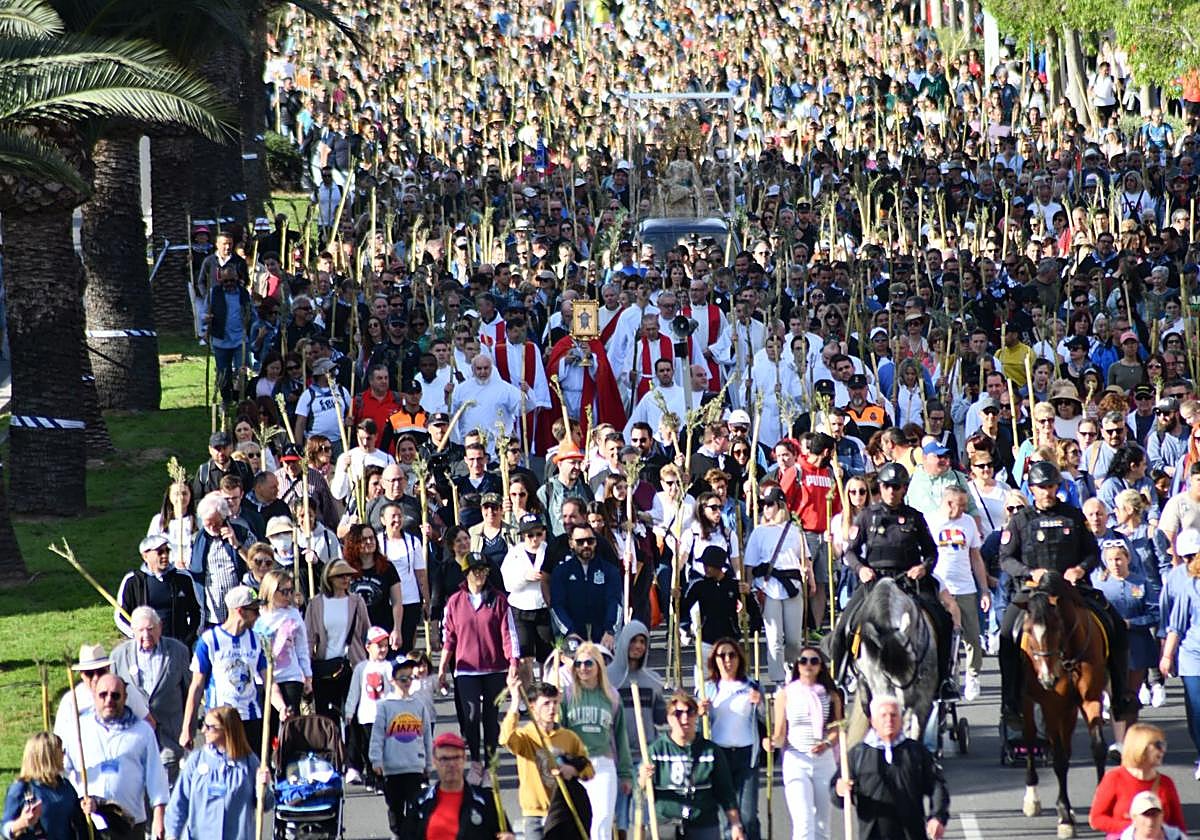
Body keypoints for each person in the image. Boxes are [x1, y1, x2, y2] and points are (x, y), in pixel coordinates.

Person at [999, 460, 1131, 728]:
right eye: (1041, 487)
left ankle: (1120, 695)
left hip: (1072, 589)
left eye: (1051, 486)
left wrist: (1080, 570)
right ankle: (1010, 702)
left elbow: (1092, 553)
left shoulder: (1073, 515)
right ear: (1031, 489)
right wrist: (1028, 572)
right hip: (1034, 591)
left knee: (1115, 625)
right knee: (1006, 636)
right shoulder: (1019, 521)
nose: (1047, 492)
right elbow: (1005, 559)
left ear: (1058, 486)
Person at [834, 463, 954, 698]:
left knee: (943, 621)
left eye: (896, 486)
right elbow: (850, 552)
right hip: (875, 581)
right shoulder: (867, 516)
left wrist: (923, 567)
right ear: (880, 487)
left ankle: (944, 680)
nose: (891, 491)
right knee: (843, 626)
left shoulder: (914, 517)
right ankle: (838, 678)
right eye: (887, 486)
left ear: (904, 489)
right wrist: (860, 569)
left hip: (909, 581)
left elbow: (932, 552)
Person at [438, 553, 520, 784]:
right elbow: (449, 638)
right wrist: (443, 668)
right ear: (466, 574)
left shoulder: (499, 600)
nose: (481, 574)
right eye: (476, 570)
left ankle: (491, 764)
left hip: (495, 667)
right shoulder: (454, 602)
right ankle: (475, 761)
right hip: (466, 669)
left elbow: (509, 634)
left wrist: (513, 662)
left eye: (484, 570)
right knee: (471, 715)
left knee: (491, 717)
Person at [62, 674, 170, 840]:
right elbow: (61, 769)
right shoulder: (77, 729)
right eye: (103, 695)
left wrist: (159, 817)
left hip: (129, 823)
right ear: (94, 696)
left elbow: (156, 776)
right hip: (89, 822)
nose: (109, 700)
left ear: (125, 697)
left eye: (115, 695)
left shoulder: (142, 731)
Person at [181, 585, 284, 752]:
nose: (258, 616)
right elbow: (197, 686)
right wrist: (187, 728)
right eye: (255, 611)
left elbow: (269, 682)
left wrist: (281, 707)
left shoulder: (257, 640)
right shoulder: (209, 640)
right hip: (220, 720)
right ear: (240, 611)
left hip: (251, 718)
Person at [833, 694, 949, 840]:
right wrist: (840, 791)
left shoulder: (916, 752)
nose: (889, 720)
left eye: (894, 715)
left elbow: (937, 786)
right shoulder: (858, 755)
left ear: (901, 720)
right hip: (872, 835)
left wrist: (937, 816)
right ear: (873, 721)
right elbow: (837, 794)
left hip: (911, 834)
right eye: (883, 715)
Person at [640, 690, 747, 840]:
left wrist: (736, 825)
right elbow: (638, 789)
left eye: (690, 712)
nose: (684, 718)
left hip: (703, 824)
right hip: (665, 825)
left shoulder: (710, 751)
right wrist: (643, 778)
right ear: (669, 718)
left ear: (696, 715)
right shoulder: (656, 750)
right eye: (678, 713)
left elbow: (726, 792)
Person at [765, 646, 844, 840]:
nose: (808, 665)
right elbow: (781, 731)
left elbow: (836, 729)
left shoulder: (831, 695)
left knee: (822, 825)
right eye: (803, 661)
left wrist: (826, 743)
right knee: (803, 821)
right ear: (797, 666)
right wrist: (772, 742)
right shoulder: (786, 694)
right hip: (796, 759)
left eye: (814, 661)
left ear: (820, 667)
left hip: (823, 760)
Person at [501, 680, 594, 840]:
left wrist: (572, 770)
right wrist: (515, 702)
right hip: (535, 815)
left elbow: (588, 769)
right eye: (545, 704)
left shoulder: (568, 737)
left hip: (563, 812)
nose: (552, 708)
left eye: (555, 703)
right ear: (532, 707)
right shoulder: (526, 736)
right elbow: (506, 739)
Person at [560, 641, 634, 840]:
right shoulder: (566, 697)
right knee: (576, 822)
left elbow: (620, 737)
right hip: (574, 765)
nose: (583, 668)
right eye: (578, 664)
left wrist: (626, 774)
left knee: (602, 821)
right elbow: (559, 735)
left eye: (588, 663)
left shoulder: (612, 696)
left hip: (602, 765)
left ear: (598, 665)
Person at [110, 607, 192, 786]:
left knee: (166, 790)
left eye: (150, 628)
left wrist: (189, 730)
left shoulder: (178, 651)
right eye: (140, 630)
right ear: (133, 631)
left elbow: (190, 694)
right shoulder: (118, 657)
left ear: (160, 627)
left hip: (168, 737)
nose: (146, 634)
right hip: (133, 738)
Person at [164, 706, 271, 840]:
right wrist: (172, 835)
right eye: (203, 725)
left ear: (227, 730)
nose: (203, 731)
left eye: (210, 727)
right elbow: (178, 803)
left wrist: (264, 787)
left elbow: (266, 804)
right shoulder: (196, 760)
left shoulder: (249, 762)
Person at [1093, 541, 1161, 753]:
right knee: (1115, 693)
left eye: (1119, 559)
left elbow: (1155, 613)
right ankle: (1119, 742)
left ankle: (1132, 740)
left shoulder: (1141, 583)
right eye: (1111, 559)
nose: (1115, 563)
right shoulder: (1100, 586)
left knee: (1131, 694)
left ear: (1128, 559)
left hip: (1137, 646)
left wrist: (1133, 623)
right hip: (1111, 648)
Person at [925, 485, 991, 701]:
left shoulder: (968, 522)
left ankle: (972, 674)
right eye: (960, 505)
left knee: (972, 636)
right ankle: (949, 675)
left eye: (965, 505)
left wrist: (983, 590)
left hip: (965, 587)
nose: (963, 509)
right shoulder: (930, 521)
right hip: (939, 588)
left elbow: (976, 557)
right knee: (943, 636)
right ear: (948, 503)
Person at [744, 486, 812, 683]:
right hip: (768, 585)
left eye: (770, 504)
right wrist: (748, 588)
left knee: (793, 639)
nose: (766, 508)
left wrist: (811, 580)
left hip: (792, 585)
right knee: (774, 638)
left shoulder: (795, 531)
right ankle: (778, 679)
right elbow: (750, 563)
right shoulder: (759, 532)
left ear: (780, 505)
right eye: (763, 505)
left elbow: (805, 559)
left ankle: (793, 671)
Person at [700, 639, 764, 840]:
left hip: (746, 755)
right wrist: (701, 712)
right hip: (720, 755)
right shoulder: (709, 688)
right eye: (722, 656)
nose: (727, 660)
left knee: (748, 815)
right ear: (715, 660)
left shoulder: (752, 685)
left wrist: (761, 704)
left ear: (739, 658)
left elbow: (766, 719)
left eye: (732, 655)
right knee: (727, 815)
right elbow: (698, 726)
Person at [608, 620, 667, 837]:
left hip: (645, 755)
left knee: (642, 813)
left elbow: (660, 717)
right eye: (634, 640)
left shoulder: (653, 680)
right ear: (624, 642)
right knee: (618, 817)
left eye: (643, 641)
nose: (638, 646)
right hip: (617, 757)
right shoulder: (607, 678)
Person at [405, 731, 514, 840]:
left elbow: (504, 834)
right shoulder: (421, 802)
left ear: (464, 759)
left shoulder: (485, 800)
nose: (451, 764)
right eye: (444, 759)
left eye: (456, 757)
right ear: (435, 761)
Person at [371, 657, 435, 840]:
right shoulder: (385, 706)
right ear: (392, 681)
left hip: (414, 766)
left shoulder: (418, 706)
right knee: (395, 809)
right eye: (402, 679)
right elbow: (377, 736)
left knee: (415, 808)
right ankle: (398, 834)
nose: (407, 683)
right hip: (392, 769)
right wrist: (376, 759)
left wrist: (428, 763)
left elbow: (426, 737)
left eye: (410, 678)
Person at [1089, 723, 1186, 838]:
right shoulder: (1114, 778)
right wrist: (1136, 828)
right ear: (1141, 747)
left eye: (1164, 745)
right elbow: (1096, 819)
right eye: (1158, 745)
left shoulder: (1166, 783)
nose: (1163, 750)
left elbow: (1178, 826)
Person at [305, 558, 370, 722]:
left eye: (348, 576)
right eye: (341, 576)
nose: (346, 579)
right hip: (325, 666)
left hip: (353, 664)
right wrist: (307, 670)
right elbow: (309, 639)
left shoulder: (356, 601)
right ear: (330, 579)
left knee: (353, 715)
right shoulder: (316, 604)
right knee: (327, 716)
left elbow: (366, 632)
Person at [115, 533, 202, 646]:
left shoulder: (182, 578)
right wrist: (139, 636)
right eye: (160, 552)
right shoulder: (133, 581)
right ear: (145, 556)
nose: (165, 555)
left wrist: (189, 638)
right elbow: (120, 616)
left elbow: (196, 612)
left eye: (167, 551)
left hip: (178, 645)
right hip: (147, 647)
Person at [1159, 545, 1200, 778]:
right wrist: (1167, 656)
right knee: (1197, 708)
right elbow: (1176, 626)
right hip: (1193, 656)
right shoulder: (1189, 588)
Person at [2, 732, 89, 840]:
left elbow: (78, 818)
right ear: (48, 757)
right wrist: (22, 823)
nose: (64, 755)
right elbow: (4, 829)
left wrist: (87, 804)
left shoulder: (65, 786)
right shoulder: (21, 789)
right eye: (61, 751)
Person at [501, 513, 554, 682]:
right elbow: (508, 584)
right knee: (525, 658)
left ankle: (546, 692)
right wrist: (525, 577)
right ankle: (527, 697)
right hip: (520, 610)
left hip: (544, 609)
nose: (534, 539)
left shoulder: (549, 551)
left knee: (547, 657)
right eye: (530, 535)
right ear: (523, 536)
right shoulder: (514, 554)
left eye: (538, 534)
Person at [550, 522, 621, 646]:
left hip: (603, 636)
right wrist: (569, 631)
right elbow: (557, 605)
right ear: (571, 543)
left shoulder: (610, 570)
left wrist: (610, 630)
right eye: (580, 542)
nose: (586, 545)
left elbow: (614, 602)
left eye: (590, 541)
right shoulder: (561, 572)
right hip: (571, 635)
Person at [256, 568, 312, 721]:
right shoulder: (258, 617)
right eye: (284, 591)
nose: (289, 596)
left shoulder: (293, 614)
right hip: (263, 678)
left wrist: (307, 675)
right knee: (267, 726)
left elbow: (302, 647)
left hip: (290, 676)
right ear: (271, 591)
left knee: (289, 723)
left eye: (291, 591)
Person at [343, 626, 395, 789]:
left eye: (386, 645)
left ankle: (380, 779)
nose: (383, 649)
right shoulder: (361, 668)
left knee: (382, 749)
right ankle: (371, 777)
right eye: (379, 646)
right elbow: (354, 692)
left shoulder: (388, 667)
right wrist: (350, 711)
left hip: (383, 716)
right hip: (365, 715)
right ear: (368, 647)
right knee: (367, 748)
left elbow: (394, 690)